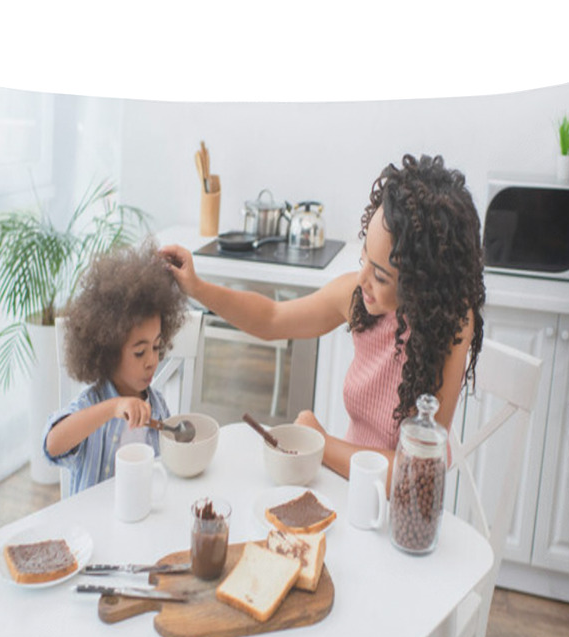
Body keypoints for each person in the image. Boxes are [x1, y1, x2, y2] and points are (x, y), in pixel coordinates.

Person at [159, 154, 485, 487]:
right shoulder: (359, 300)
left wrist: (321, 442)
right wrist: (197, 288)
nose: (362, 280)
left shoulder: (451, 327)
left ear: (422, 284)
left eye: (382, 276)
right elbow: (271, 319)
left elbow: (414, 474)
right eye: (364, 259)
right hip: (346, 489)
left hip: (403, 517)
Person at [43, 240, 189, 495]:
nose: (151, 360)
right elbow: (52, 445)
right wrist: (113, 407)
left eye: (156, 347)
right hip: (91, 529)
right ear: (108, 351)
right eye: (139, 352)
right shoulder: (92, 403)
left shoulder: (158, 406)